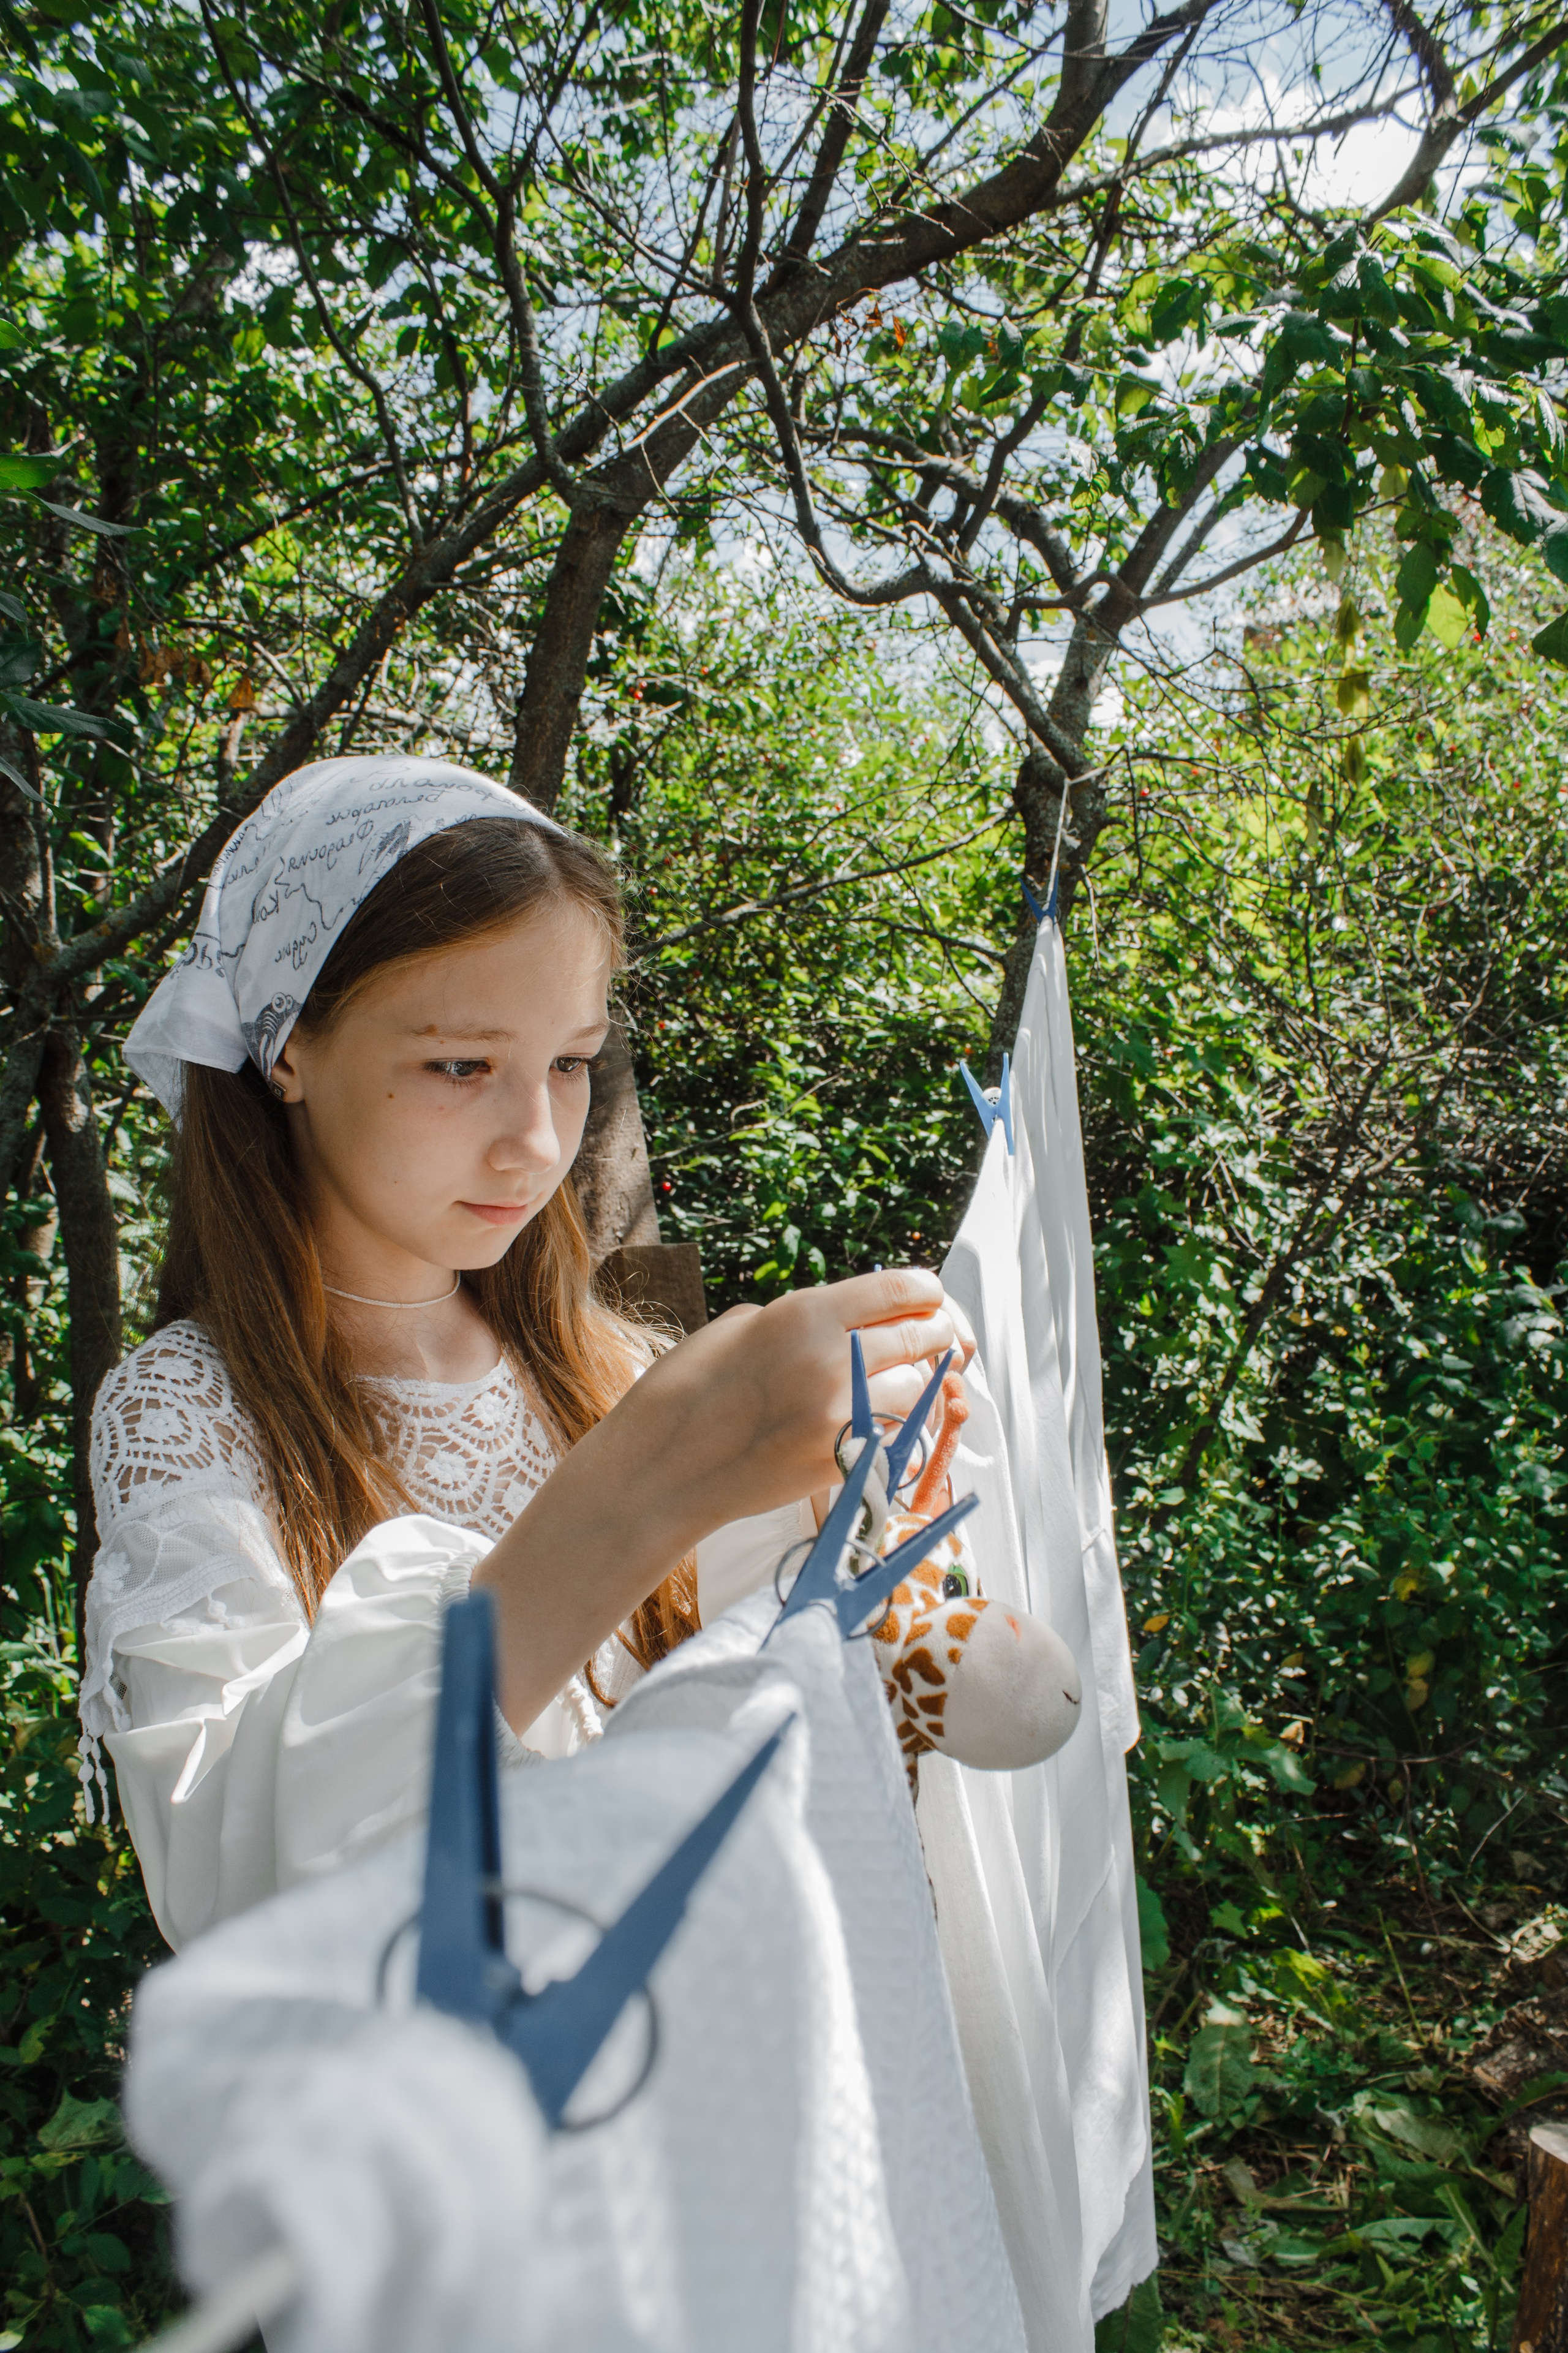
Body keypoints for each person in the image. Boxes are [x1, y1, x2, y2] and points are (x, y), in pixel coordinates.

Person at [79, 755, 968, 1952]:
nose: (536, 1140)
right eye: (460, 1065)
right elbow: (241, 1882)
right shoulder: (191, 1408)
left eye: (569, 1061)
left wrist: (841, 1517)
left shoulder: (607, 1358)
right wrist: (641, 1486)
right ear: (287, 1047)